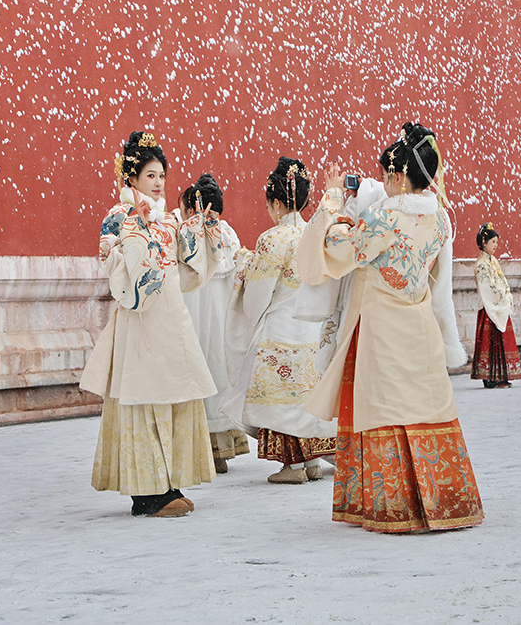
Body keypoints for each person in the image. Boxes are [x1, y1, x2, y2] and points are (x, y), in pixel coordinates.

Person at [297, 122, 482, 533]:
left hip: (381, 325)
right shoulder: (442, 221)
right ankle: (442, 501)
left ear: (398, 176)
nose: (382, 182)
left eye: (385, 176)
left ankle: (395, 505)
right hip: (418, 323)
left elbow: (337, 252)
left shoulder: (383, 218)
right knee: (424, 409)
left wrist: (334, 207)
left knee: (384, 410)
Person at [79, 131, 222, 518]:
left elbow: (189, 273)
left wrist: (199, 230)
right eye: (150, 175)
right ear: (132, 178)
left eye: (161, 175)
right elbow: (111, 267)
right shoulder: (118, 217)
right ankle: (146, 491)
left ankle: (169, 481)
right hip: (140, 323)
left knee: (173, 396)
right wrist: (136, 234)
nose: (158, 182)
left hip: (171, 318)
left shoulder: (169, 221)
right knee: (144, 401)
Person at [224, 157, 335, 484]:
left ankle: (292, 466)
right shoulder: (317, 234)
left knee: (280, 401)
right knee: (307, 397)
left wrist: (245, 268)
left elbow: (258, 294)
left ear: (275, 203)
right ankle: (312, 461)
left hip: (281, 328)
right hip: (312, 328)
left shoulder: (273, 239)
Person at [178, 174, 250, 474]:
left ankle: (198, 450)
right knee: (218, 372)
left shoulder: (188, 233)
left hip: (194, 314)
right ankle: (220, 449)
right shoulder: (228, 234)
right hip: (221, 317)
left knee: (197, 371)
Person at [471, 223, 521, 388]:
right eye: (493, 242)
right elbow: (488, 287)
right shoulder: (481, 264)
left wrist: (507, 295)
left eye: (496, 242)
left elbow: (501, 281)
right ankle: (490, 378)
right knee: (491, 341)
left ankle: (500, 376)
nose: (496, 245)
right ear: (484, 243)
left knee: (499, 342)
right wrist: (502, 297)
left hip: (499, 305)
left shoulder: (493, 262)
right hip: (490, 307)